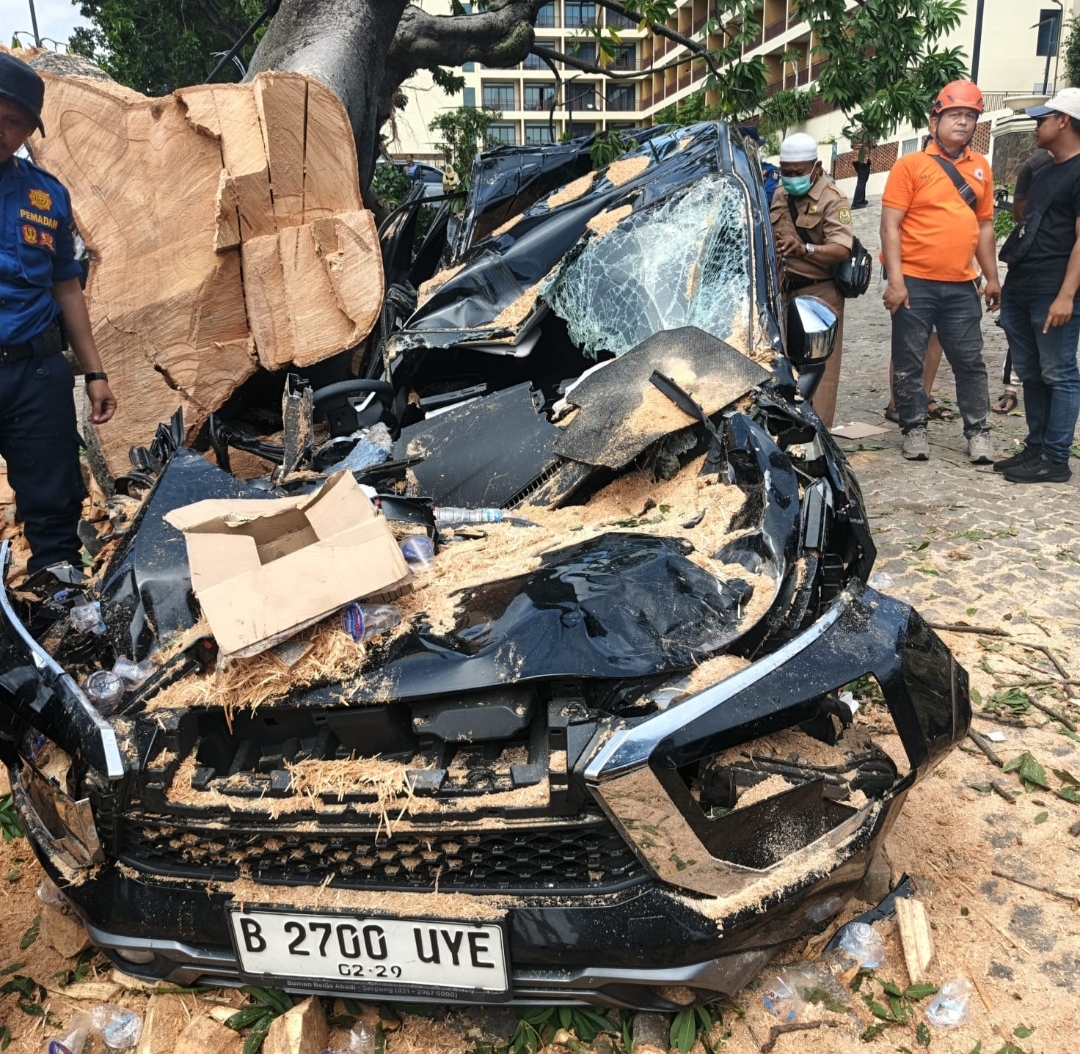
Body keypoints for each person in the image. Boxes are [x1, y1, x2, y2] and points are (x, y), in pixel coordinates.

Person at [0, 51, 116, 575]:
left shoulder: (46, 197)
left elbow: (67, 289)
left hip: (35, 373)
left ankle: (62, 608)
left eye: (16, 122)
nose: (3, 131)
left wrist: (95, 373)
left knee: (53, 502)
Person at [879, 80, 1000, 463]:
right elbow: (889, 226)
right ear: (936, 120)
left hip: (963, 283)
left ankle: (978, 432)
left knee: (970, 361)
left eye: (970, 116)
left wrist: (992, 276)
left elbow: (984, 226)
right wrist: (896, 282)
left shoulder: (981, 167)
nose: (963, 123)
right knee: (909, 359)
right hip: (915, 282)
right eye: (955, 115)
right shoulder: (909, 165)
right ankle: (913, 428)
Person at [994, 88, 1080, 484]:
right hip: (1023, 284)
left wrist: (1066, 295)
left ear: (1064, 120)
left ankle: (1056, 458)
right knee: (1030, 373)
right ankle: (1036, 447)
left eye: (1043, 119)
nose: (1036, 125)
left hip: (1053, 289)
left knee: (1059, 372)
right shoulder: (1044, 170)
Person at [770, 131, 855, 430]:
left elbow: (842, 249)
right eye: (786, 172)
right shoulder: (780, 194)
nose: (791, 179)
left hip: (821, 295)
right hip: (785, 293)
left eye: (798, 173)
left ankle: (818, 438)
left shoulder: (834, 199)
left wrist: (805, 249)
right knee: (784, 369)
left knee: (820, 374)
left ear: (816, 168)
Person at [992, 149, 1052, 414]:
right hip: (1031, 267)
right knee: (1020, 330)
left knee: (1059, 361)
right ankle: (1012, 388)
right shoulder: (1036, 164)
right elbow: (1019, 215)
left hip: (1064, 271)